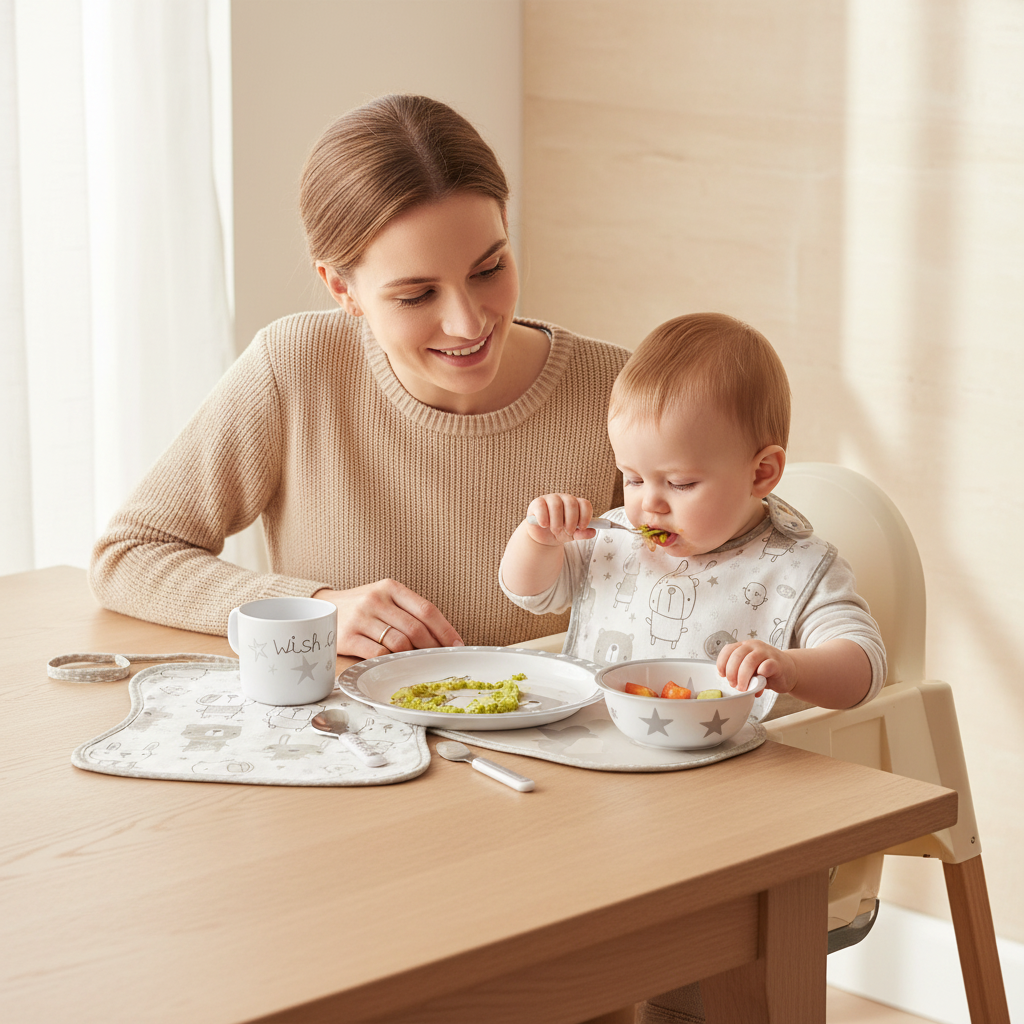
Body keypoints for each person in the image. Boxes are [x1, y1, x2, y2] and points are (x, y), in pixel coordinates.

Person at [89, 95, 628, 657]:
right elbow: (129, 554)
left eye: (489, 268)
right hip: (337, 739)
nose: (468, 322)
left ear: (506, 226)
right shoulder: (296, 367)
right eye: (417, 294)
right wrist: (313, 610)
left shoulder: (619, 390)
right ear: (341, 288)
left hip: (547, 743)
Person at [500, 312, 886, 720]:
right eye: (632, 478)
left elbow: (864, 667)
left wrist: (792, 667)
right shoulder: (616, 540)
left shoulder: (798, 568)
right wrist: (538, 539)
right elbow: (531, 594)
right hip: (604, 756)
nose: (650, 504)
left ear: (761, 473)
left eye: (680, 484)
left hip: (733, 775)